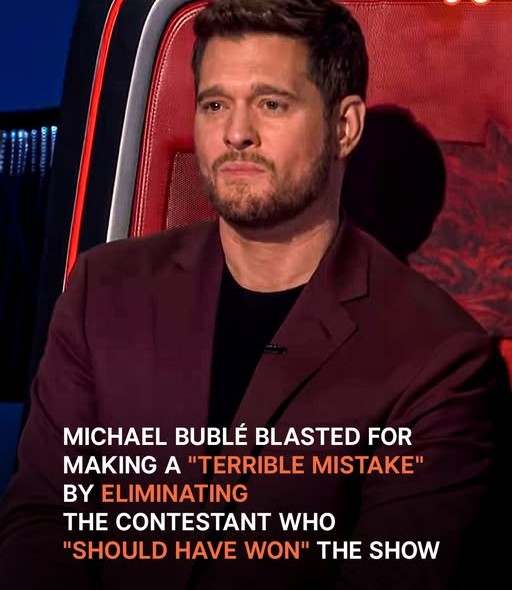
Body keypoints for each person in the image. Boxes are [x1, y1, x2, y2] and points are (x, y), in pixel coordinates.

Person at [0, 0, 505, 588]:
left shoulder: (441, 360)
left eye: (271, 104)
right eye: (215, 104)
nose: (235, 133)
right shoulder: (103, 290)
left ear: (344, 127)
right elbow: (41, 521)